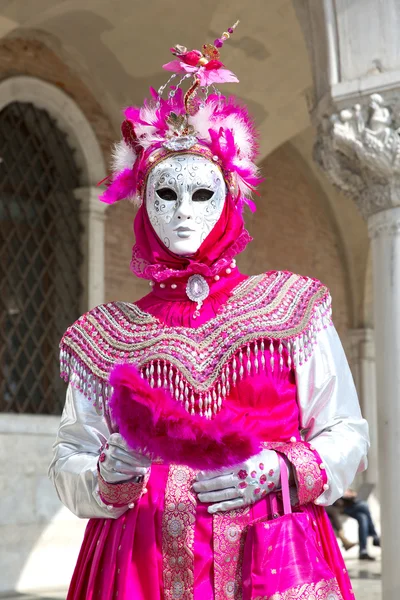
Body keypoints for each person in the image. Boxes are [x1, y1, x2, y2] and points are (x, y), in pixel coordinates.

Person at [49, 22, 369, 600]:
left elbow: (345, 430)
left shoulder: (289, 309)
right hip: (141, 564)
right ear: (143, 204)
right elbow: (71, 454)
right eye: (165, 195)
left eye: (202, 194)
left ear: (229, 199)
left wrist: (277, 472)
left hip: (272, 552)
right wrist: (109, 472)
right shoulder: (107, 336)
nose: (183, 214)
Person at [331, 489, 380, 561]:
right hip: (339, 505)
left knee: (363, 517)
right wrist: (342, 494)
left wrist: (350, 493)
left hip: (348, 502)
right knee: (364, 506)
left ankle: (363, 551)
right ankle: (374, 536)